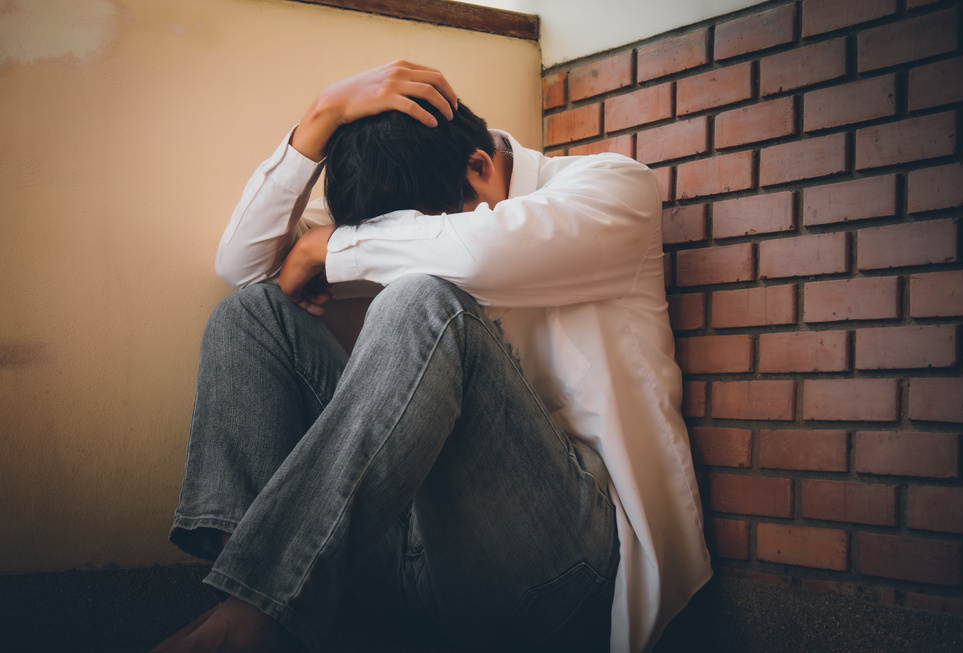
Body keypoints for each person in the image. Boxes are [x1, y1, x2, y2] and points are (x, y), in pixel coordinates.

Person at [154, 61, 711, 653]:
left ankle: (255, 621)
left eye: (408, 233)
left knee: (421, 298)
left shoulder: (611, 187)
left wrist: (332, 246)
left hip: (567, 565)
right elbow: (241, 268)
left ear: (479, 167)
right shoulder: (407, 214)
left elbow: (481, 255)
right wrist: (322, 116)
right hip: (414, 561)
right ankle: (248, 604)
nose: (399, 243)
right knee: (253, 315)